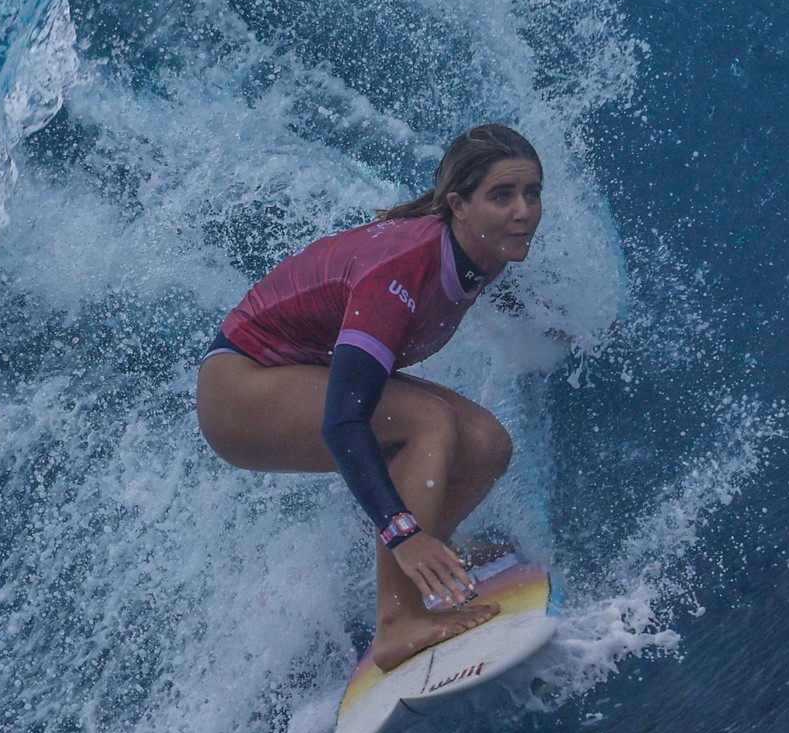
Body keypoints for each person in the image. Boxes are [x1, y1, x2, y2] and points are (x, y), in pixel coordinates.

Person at [196, 124, 544, 671]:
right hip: (241, 388)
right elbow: (343, 423)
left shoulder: (483, 250)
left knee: (486, 444)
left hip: (301, 369)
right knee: (429, 422)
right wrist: (401, 531)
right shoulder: (403, 271)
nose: (524, 211)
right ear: (459, 205)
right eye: (502, 196)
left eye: (532, 193)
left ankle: (434, 564)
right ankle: (398, 621)